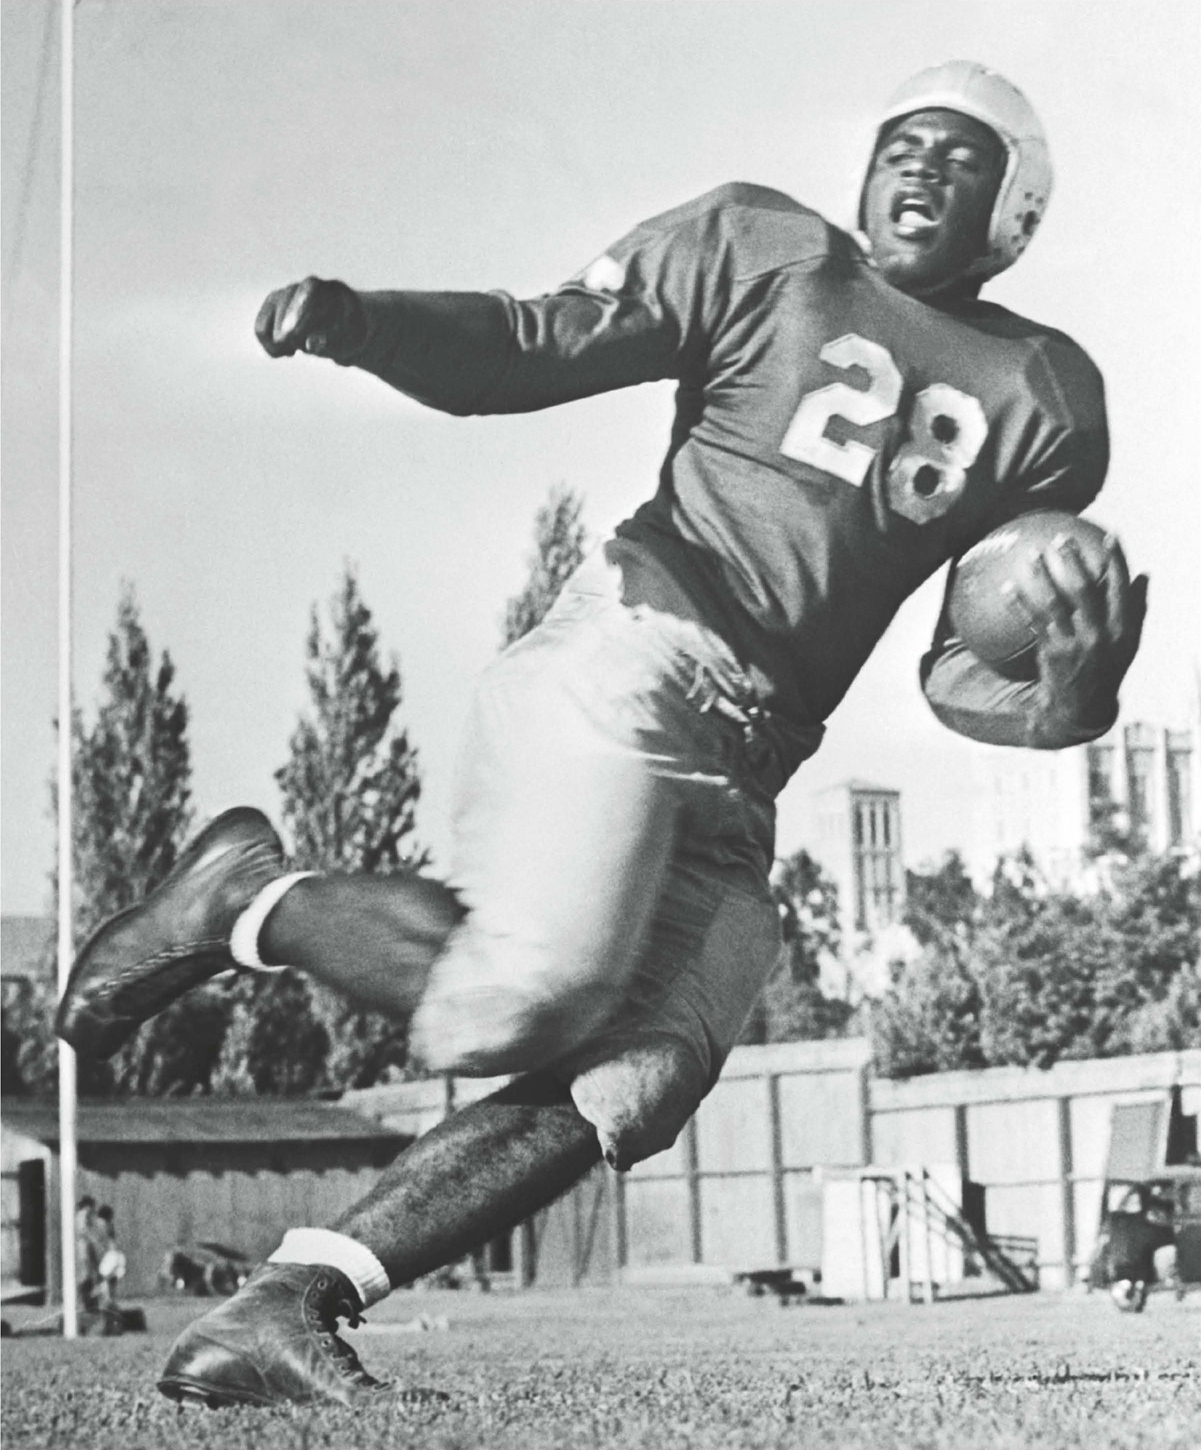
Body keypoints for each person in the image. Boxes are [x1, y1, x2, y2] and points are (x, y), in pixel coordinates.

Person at [57, 61, 1146, 1408]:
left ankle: (286, 1300)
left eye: (960, 155)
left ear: (1016, 208)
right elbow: (532, 340)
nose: (918, 168)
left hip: (753, 760)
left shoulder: (1045, 397)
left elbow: (952, 684)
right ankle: (245, 895)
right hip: (630, 653)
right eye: (899, 143)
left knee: (636, 1080)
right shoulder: (767, 247)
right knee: (525, 994)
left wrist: (1076, 698)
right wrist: (366, 320)